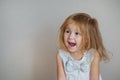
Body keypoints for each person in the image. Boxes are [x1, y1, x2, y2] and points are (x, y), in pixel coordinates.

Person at [56, 13, 109, 80]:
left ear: (87, 38)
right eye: (67, 31)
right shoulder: (61, 55)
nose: (70, 37)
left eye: (77, 33)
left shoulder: (93, 55)